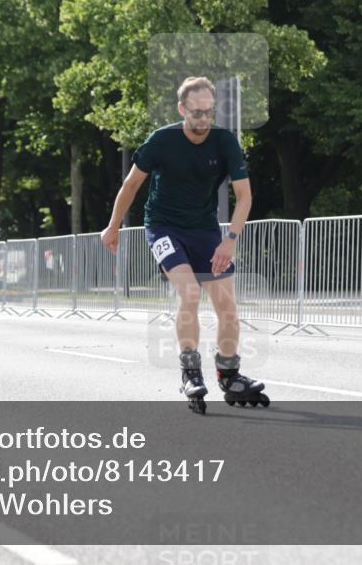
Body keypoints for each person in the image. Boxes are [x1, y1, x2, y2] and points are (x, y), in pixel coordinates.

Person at [99, 76, 270, 414]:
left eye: (209, 113)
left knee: (228, 308)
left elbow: (244, 195)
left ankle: (229, 374)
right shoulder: (161, 140)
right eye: (196, 113)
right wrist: (113, 226)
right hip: (163, 227)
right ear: (182, 109)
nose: (203, 120)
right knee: (190, 292)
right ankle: (190, 371)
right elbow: (132, 185)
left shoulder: (225, 142)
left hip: (205, 230)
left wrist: (229, 242)